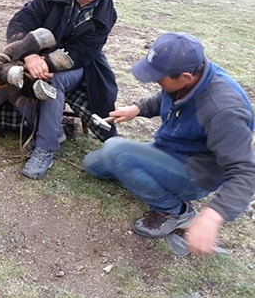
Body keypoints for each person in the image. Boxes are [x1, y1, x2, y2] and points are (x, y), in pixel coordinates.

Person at [83, 32, 255, 256]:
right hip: (169, 150)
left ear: (185, 76)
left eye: (159, 76)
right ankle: (139, 173)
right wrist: (139, 108)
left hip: (194, 173)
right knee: (93, 164)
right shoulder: (190, 76)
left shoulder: (224, 110)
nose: (154, 80)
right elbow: (167, 94)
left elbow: (245, 173)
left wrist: (212, 216)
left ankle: (177, 212)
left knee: (116, 151)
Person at [4, 0, 125, 179]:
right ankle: (53, 129)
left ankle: (45, 149)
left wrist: (44, 63)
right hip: (35, 55)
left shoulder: (107, 15)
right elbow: (20, 22)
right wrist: (28, 55)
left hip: (81, 67)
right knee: (7, 72)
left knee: (54, 81)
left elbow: (82, 54)